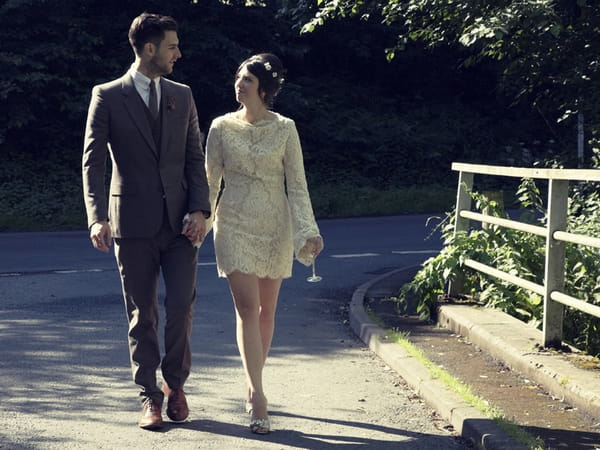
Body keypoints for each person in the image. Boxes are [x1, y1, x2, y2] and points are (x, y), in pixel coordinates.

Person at [82, 12, 210, 430]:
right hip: (131, 223)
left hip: (180, 225)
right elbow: (93, 162)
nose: (179, 53)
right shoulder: (107, 95)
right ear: (150, 48)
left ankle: (176, 387)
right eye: (172, 46)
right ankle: (149, 396)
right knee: (142, 313)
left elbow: (195, 158)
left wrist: (200, 210)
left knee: (180, 309)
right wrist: (97, 217)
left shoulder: (183, 95)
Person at [205, 53, 324, 434]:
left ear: (264, 89)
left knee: (267, 312)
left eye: (247, 81)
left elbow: (298, 184)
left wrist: (308, 229)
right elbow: (210, 182)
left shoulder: (286, 129)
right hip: (234, 222)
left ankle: (251, 377)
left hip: (275, 224)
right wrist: (200, 223)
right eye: (238, 78)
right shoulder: (220, 127)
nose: (239, 85)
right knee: (247, 308)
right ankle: (258, 395)